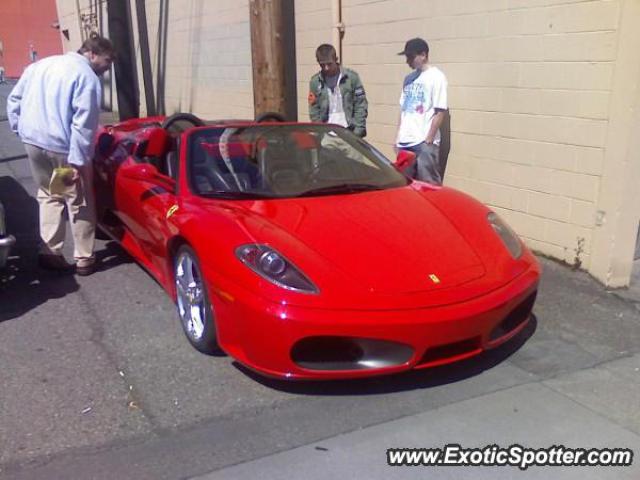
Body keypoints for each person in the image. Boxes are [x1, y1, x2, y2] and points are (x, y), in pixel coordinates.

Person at [6, 35, 114, 275]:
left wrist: (19, 128)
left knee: (49, 193)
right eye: (107, 62)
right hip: (62, 149)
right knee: (79, 199)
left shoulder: (40, 66)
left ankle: (50, 251)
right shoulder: (85, 77)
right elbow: (83, 124)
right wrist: (78, 160)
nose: (107, 68)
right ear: (92, 54)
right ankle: (84, 257)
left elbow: (14, 101)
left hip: (34, 143)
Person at [395, 38, 448, 185]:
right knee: (403, 186)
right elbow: (403, 109)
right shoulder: (408, 79)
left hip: (423, 142)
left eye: (411, 57)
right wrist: (398, 137)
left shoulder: (436, 77)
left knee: (428, 186)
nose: (408, 61)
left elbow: (440, 111)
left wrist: (429, 139)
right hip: (405, 142)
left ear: (423, 55)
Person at [308, 44, 368, 138]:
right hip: (327, 136)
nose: (326, 68)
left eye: (329, 64)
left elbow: (360, 104)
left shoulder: (351, 78)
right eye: (322, 65)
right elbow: (314, 110)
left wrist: (358, 131)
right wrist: (320, 133)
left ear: (336, 59)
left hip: (349, 132)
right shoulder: (315, 82)